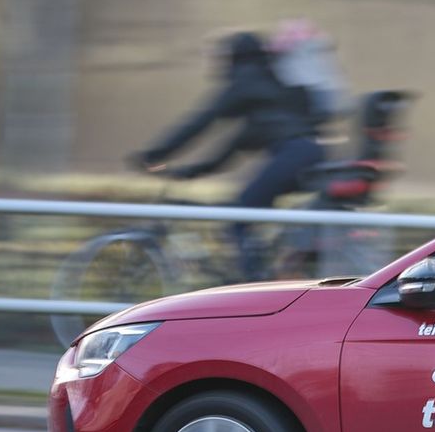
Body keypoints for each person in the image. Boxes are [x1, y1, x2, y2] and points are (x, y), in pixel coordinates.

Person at [134, 31, 324, 281]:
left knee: (238, 218)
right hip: (311, 154)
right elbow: (235, 144)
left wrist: (155, 154)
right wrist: (194, 170)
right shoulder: (272, 88)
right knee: (246, 211)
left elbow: (200, 122)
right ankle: (263, 271)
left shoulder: (247, 81)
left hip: (292, 156)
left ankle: (255, 290)